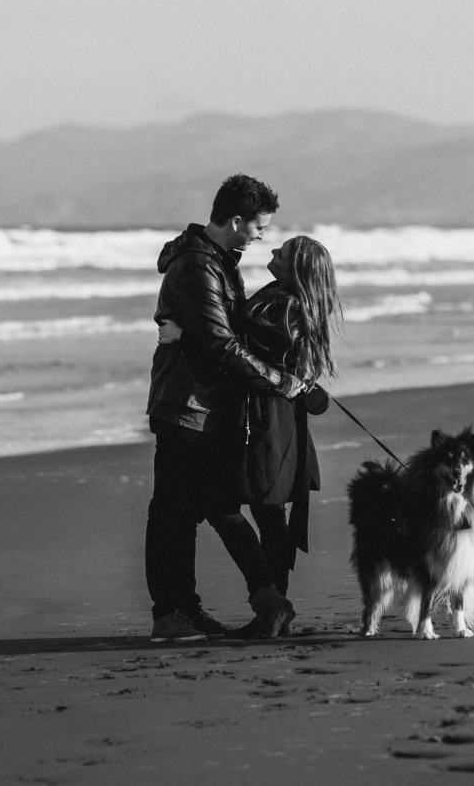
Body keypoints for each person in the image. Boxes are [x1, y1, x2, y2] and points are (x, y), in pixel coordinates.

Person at [144, 174, 308, 643]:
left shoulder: (218, 261)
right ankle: (173, 615)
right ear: (236, 221)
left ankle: (202, 608)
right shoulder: (199, 265)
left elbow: (223, 332)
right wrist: (281, 381)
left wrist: (182, 332)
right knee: (174, 514)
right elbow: (221, 343)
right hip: (185, 404)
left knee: (205, 508)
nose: (261, 235)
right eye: (258, 226)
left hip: (209, 405)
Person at [236, 236, 341, 629]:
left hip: (267, 420)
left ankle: (273, 606)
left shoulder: (282, 309)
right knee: (270, 514)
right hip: (281, 420)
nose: (272, 253)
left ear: (296, 268)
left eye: (281, 253)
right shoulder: (296, 305)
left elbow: (235, 347)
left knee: (266, 513)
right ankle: (274, 606)